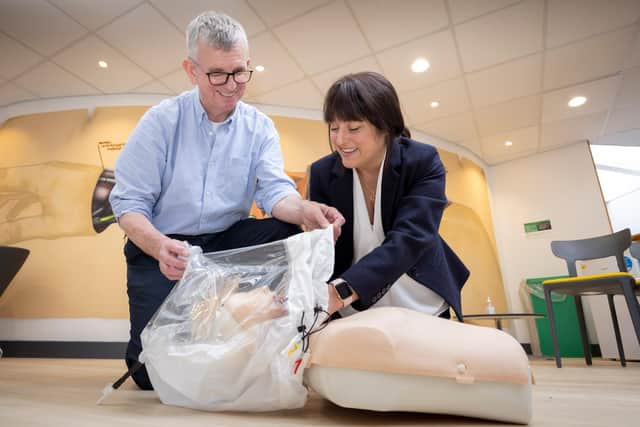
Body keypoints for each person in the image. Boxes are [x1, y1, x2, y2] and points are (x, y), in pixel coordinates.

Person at [109, 11, 343, 390]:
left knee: (285, 231)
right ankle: (178, 339)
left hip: (226, 243)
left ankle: (257, 333)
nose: (231, 85)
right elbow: (128, 205)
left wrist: (306, 210)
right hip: (164, 247)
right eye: (217, 74)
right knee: (149, 375)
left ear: (248, 65)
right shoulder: (160, 123)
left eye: (239, 72)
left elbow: (274, 192)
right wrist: (159, 246)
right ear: (191, 70)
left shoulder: (259, 127)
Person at [309, 72, 469, 320]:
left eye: (353, 128)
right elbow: (323, 252)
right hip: (353, 307)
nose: (340, 140)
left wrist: (341, 291)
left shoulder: (423, 161)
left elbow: (412, 238)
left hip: (419, 295)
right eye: (334, 128)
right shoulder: (322, 173)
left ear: (384, 126)